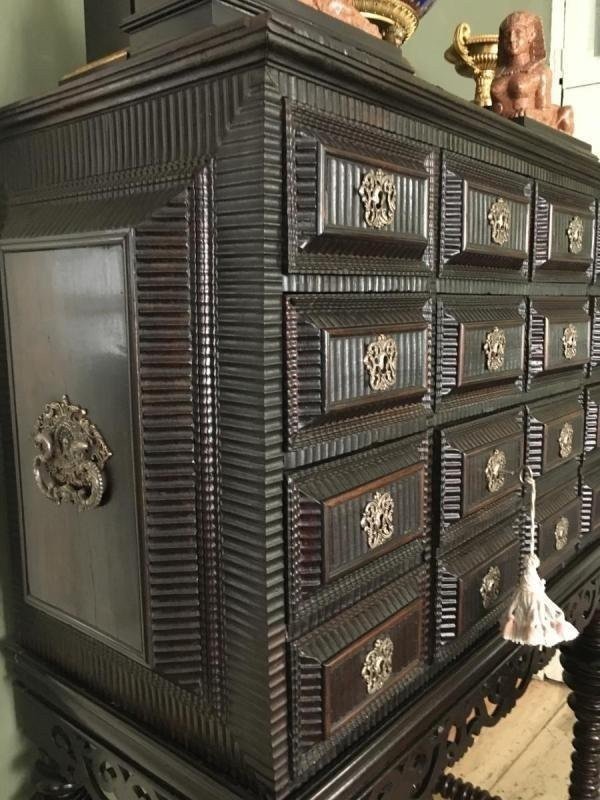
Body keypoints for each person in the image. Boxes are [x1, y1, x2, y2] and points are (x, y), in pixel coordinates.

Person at [491, 11, 574, 135]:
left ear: (531, 35)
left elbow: (544, 112)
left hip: (525, 131)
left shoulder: (541, 72)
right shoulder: (500, 74)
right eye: (508, 34)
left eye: (518, 33)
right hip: (501, 130)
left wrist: (530, 113)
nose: (512, 39)